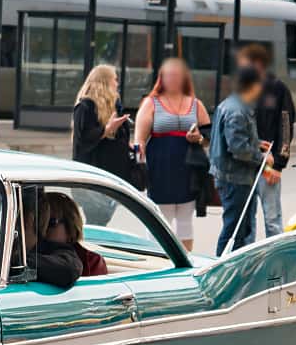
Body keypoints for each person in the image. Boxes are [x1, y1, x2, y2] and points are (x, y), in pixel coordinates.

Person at [131, 57, 209, 251]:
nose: (173, 79)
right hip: (160, 170)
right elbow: (139, 140)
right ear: (161, 78)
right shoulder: (151, 104)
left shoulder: (196, 104)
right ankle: (157, 260)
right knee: (160, 219)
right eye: (169, 75)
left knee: (185, 220)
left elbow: (208, 135)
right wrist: (139, 166)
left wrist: (198, 138)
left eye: (177, 75)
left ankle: (186, 262)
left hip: (188, 171)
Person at [209, 66, 280, 254]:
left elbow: (235, 140)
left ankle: (231, 267)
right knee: (235, 229)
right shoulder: (238, 111)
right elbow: (238, 149)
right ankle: (222, 268)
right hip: (235, 178)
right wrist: (262, 159)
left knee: (241, 227)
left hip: (234, 176)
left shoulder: (232, 104)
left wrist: (256, 143)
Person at [70, 64, 134, 185]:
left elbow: (116, 137)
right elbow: (83, 139)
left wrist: (128, 145)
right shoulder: (85, 107)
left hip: (116, 175)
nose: (117, 84)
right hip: (95, 176)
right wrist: (108, 129)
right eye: (115, 79)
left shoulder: (114, 105)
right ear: (105, 82)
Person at [240, 44, 296, 178]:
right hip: (243, 164)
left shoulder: (277, 89)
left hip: (268, 162)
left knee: (269, 200)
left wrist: (278, 165)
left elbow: (286, 126)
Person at [35, 191, 106, 287]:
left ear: (70, 224)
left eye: (51, 222)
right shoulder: (26, 252)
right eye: (38, 222)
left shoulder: (91, 261)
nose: (42, 228)